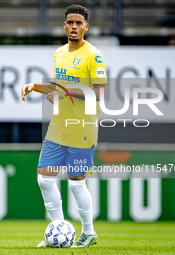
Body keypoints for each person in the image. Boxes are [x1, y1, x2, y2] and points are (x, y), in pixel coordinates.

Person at [21, 4, 107, 248]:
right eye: (70, 22)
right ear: (64, 25)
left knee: (76, 182)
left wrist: (65, 92)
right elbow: (59, 87)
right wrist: (35, 87)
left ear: (86, 27)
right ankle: (60, 231)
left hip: (82, 129)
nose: (74, 27)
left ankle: (88, 233)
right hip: (58, 128)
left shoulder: (94, 56)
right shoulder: (59, 53)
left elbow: (99, 93)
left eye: (79, 23)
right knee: (45, 180)